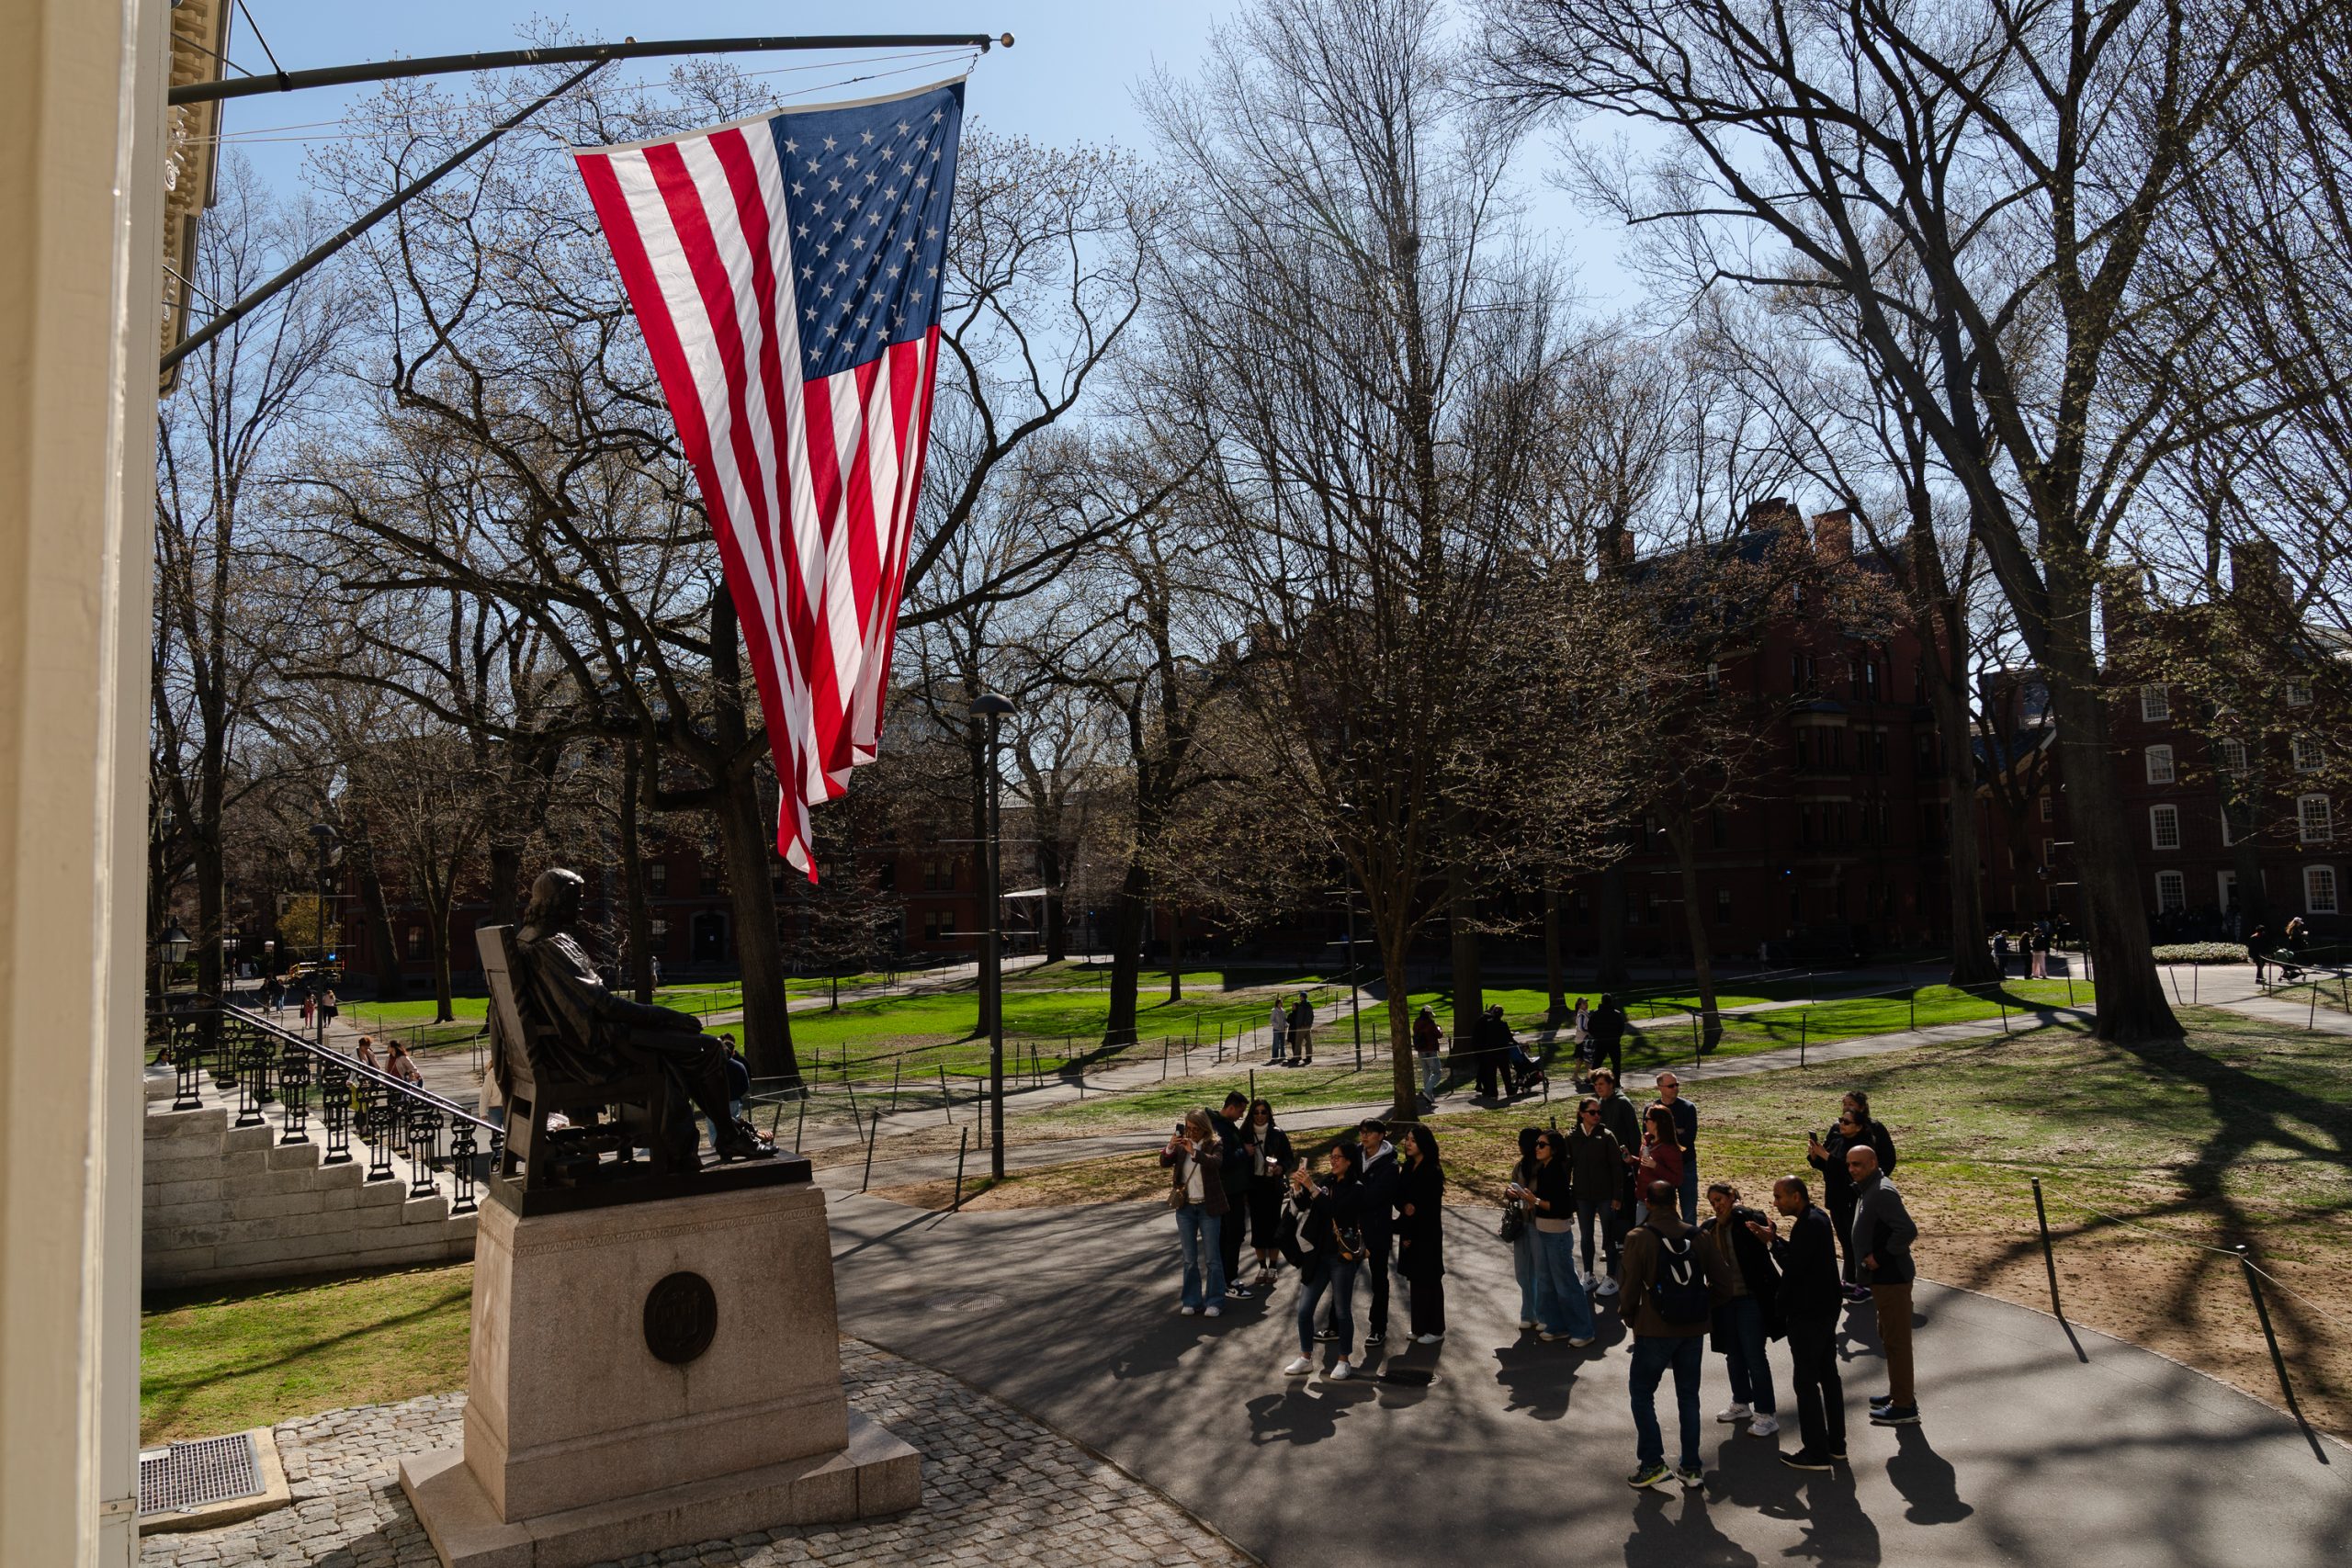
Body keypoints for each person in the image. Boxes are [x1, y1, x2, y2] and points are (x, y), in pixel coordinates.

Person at [1622, 1179, 1732, 1490]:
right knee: (1689, 1397)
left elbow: (1629, 1287)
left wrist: (1630, 1317)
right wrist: (1702, 1306)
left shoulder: (1638, 1237)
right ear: (1675, 1201)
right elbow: (1724, 1284)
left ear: (1648, 1202)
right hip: (1693, 1329)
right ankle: (1692, 1467)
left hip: (1654, 1328)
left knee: (1642, 1393)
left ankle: (1652, 1462)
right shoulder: (1699, 1236)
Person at [1756, 1176, 1847, 1469]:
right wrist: (1775, 1240)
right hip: (1825, 1310)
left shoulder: (1808, 1224)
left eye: (1779, 1196)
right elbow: (1801, 1258)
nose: (1775, 1203)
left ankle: (1816, 1452)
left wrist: (1772, 1245)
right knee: (1828, 1376)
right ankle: (1836, 1444)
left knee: (1806, 1382)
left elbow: (1794, 1267)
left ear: (1796, 1197)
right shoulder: (1818, 1217)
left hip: (1808, 1314)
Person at [1700, 1181, 1782, 1438]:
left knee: (1755, 1356)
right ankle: (1741, 1402)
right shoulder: (1710, 1228)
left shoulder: (1747, 1220)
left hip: (1749, 1299)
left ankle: (1766, 1413)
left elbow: (1765, 1227)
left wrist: (1739, 1211)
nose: (1717, 1205)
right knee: (1733, 1354)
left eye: (1720, 1199)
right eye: (1712, 1202)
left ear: (1732, 1196)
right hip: (1724, 1302)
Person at [1847, 1144, 1921, 1426]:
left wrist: (1879, 1257)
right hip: (1882, 1280)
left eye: (1858, 1164)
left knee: (1897, 1342)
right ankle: (1898, 1393)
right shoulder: (1869, 1188)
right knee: (1889, 1338)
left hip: (1893, 1279)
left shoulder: (1881, 1192)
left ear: (1873, 1163)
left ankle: (1904, 1406)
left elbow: (1907, 1230)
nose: (1852, 1169)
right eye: (1849, 1164)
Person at [1283, 1139, 1365, 1380]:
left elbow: (1336, 1211)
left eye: (1337, 1157)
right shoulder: (1327, 1182)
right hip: (1318, 1256)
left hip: (1341, 1257)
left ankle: (1343, 1360)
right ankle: (1305, 1357)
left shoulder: (1357, 1188)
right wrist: (1299, 1188)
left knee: (1342, 1311)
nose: (1333, 1161)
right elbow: (1305, 1204)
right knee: (1304, 1310)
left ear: (1349, 1161)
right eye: (1331, 1157)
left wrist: (1312, 1188)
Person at [1506, 1128, 1595, 1346]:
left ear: (1553, 1150)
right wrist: (1528, 1200)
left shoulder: (1557, 1171)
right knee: (1546, 1282)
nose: (1537, 1148)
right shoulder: (1544, 1168)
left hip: (1557, 1234)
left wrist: (1534, 1201)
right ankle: (1556, 1326)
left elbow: (1560, 1207)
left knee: (1566, 1284)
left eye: (1542, 1145)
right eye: (1537, 1143)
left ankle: (1584, 1331)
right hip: (1543, 1229)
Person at [1159, 1110, 1230, 1317]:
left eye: (1195, 1129)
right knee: (1189, 1259)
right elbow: (1164, 1162)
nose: (1191, 1132)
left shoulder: (1214, 1143)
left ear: (1204, 1128)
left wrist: (1194, 1152)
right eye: (1188, 1128)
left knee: (1212, 1258)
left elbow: (1215, 1162)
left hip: (1208, 1207)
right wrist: (1171, 1146)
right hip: (1186, 1208)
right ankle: (1192, 1300)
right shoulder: (1182, 1145)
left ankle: (1215, 1301)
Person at [1563, 1096, 1626, 1290]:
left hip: (1606, 1196)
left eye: (1599, 1112)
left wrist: (1617, 1196)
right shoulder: (1571, 1137)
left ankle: (1611, 1276)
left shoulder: (1607, 1136)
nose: (1597, 1115)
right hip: (1582, 1196)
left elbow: (1617, 1168)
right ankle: (1588, 1274)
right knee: (1586, 1235)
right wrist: (1566, 1194)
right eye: (1592, 1112)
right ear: (1582, 1114)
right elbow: (1567, 1168)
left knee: (1609, 1235)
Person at [1395, 1123, 1446, 1341]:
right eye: (1407, 1139)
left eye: (1413, 1140)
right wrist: (1404, 1205)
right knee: (1416, 1280)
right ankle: (1419, 1327)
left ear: (1424, 1144)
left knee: (1429, 1280)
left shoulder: (1432, 1170)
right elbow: (1398, 1195)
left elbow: (1429, 1206)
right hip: (1409, 1229)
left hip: (1427, 1232)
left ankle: (1436, 1329)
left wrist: (1413, 1214)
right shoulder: (1407, 1167)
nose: (1408, 1144)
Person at [1354, 1119, 1399, 1347]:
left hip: (1377, 1228)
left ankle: (1378, 1328)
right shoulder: (1355, 1154)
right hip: (1351, 1227)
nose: (1364, 1136)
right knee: (1340, 1276)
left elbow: (1376, 1196)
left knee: (1379, 1280)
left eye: (1369, 1133)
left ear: (1381, 1136)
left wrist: (1353, 1194)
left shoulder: (1390, 1164)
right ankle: (1334, 1325)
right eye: (1362, 1132)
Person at [1242, 1099, 1295, 1286]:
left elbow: (1289, 1157)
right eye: (1256, 1112)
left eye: (1263, 1112)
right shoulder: (1244, 1134)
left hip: (1272, 1184)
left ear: (1269, 1114)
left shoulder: (1277, 1133)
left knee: (1273, 1224)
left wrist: (1281, 1167)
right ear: (1251, 1114)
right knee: (1258, 1227)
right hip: (1254, 1184)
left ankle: (1273, 1266)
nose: (1260, 1116)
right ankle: (1262, 1266)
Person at [1212, 1092, 1257, 1301]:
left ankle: (1224, 1279)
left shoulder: (1225, 1126)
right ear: (1230, 1107)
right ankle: (1229, 1280)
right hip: (1230, 1191)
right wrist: (1244, 1151)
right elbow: (1225, 1161)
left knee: (1227, 1236)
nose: (1241, 1115)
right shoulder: (1221, 1129)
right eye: (1240, 1111)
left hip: (1231, 1189)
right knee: (1233, 1235)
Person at [1508, 1127, 1543, 1328]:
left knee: (1540, 1271)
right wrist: (1509, 1192)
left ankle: (1542, 1314)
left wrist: (1533, 1201)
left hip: (1539, 1224)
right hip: (1521, 1222)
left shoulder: (1543, 1166)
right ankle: (1528, 1313)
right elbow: (1512, 1185)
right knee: (1523, 1272)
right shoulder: (1519, 1166)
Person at [1653, 1071, 1700, 1223]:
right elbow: (1651, 1139)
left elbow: (1688, 1139)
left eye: (1677, 1085)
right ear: (1660, 1088)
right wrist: (1677, 1131)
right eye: (1671, 1086)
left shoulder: (1688, 1108)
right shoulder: (1652, 1109)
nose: (1675, 1088)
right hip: (1663, 1167)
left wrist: (1663, 1132)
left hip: (1686, 1164)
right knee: (1664, 1211)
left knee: (1689, 1211)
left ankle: (1690, 1237)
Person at [1634, 1104, 1683, 1225]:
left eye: (1647, 1119)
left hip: (1660, 1205)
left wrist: (1656, 1166)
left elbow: (1677, 1179)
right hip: (1643, 1198)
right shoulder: (1647, 1141)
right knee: (1641, 1234)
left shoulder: (1670, 1149)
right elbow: (1644, 1165)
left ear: (1656, 1123)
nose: (1644, 1122)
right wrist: (1632, 1160)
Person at [1589, 994, 1627, 1083]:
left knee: (1597, 1062)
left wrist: (1596, 1036)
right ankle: (1616, 1082)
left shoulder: (1596, 1014)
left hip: (1601, 1042)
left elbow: (1590, 1027)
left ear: (1602, 1001)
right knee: (1616, 1064)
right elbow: (1621, 1028)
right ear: (1611, 1001)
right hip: (1614, 1042)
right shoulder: (1617, 1014)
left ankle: (1593, 1082)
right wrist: (1617, 1037)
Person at [1412, 1005, 1443, 1105]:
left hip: (1420, 1050)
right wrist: (1439, 1028)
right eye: (1430, 1014)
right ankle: (1426, 1090)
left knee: (1426, 1073)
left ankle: (1429, 1096)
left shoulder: (1416, 1022)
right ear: (1428, 1013)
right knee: (1437, 1072)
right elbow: (1439, 1035)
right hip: (1430, 1050)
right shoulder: (1430, 1023)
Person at [1288, 992, 1315, 1066]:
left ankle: (1296, 1057)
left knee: (1298, 1042)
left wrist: (1298, 1025)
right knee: (1308, 1042)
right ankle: (1309, 1057)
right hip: (1308, 1026)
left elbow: (1300, 1016)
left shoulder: (1301, 1005)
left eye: (1300, 996)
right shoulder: (1309, 1005)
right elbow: (1312, 1016)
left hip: (1301, 1026)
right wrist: (1310, 1024)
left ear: (1302, 997)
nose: (1299, 997)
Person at [1268, 998, 1289, 1065]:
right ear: (1277, 1004)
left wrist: (1286, 1025)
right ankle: (1274, 1057)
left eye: (1282, 1003)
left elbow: (1285, 1019)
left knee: (1282, 1043)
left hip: (1283, 1029)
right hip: (1276, 1029)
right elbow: (1271, 1020)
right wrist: (1276, 1025)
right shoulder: (1274, 1011)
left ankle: (1283, 1056)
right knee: (1276, 1043)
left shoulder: (1283, 1011)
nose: (1281, 1004)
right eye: (1280, 1003)